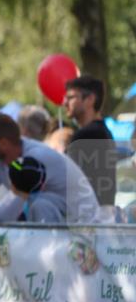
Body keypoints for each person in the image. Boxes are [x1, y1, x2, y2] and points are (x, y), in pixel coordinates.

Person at [0, 114, 100, 243]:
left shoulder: (35, 159)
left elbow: (8, 213)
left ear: (3, 143)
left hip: (85, 231)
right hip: (61, 228)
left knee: (40, 205)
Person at [64, 75, 117, 221]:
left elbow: (62, 174)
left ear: (90, 99)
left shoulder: (88, 134)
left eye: (70, 97)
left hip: (87, 222)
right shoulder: (103, 131)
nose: (64, 102)